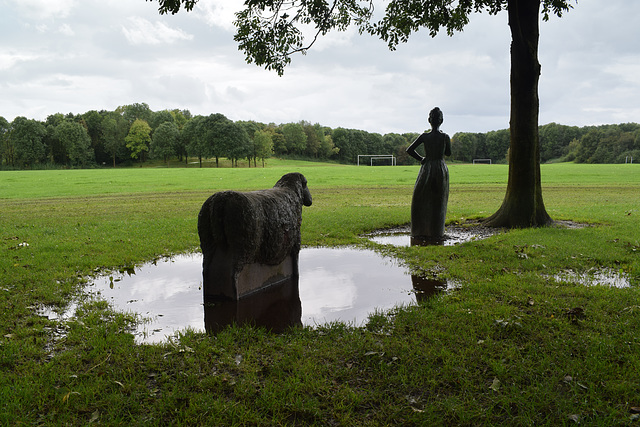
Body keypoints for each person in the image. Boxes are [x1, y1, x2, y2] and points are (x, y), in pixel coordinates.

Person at [406, 107, 452, 241]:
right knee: (438, 199)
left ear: (429, 121)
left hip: (426, 168)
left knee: (421, 198)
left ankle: (420, 229)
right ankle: (436, 231)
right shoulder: (445, 137)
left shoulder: (424, 136)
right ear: (441, 121)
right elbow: (448, 153)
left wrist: (421, 159)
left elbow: (410, 150)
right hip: (440, 168)